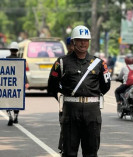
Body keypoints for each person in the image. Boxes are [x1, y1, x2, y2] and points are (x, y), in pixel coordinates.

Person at [48, 25, 111, 157]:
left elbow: (105, 86)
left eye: (86, 40)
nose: (83, 43)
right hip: (70, 111)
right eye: (80, 40)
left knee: (91, 153)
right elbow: (52, 86)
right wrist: (66, 98)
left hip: (92, 112)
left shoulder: (99, 63)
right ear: (73, 42)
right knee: (69, 152)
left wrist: (90, 96)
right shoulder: (62, 63)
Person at [6, 42, 29, 126]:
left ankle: (10, 116)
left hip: (8, 83)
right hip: (18, 83)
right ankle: (15, 117)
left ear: (10, 50)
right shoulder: (20, 60)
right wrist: (26, 82)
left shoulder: (6, 59)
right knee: (17, 101)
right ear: (17, 50)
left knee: (8, 101)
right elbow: (23, 73)